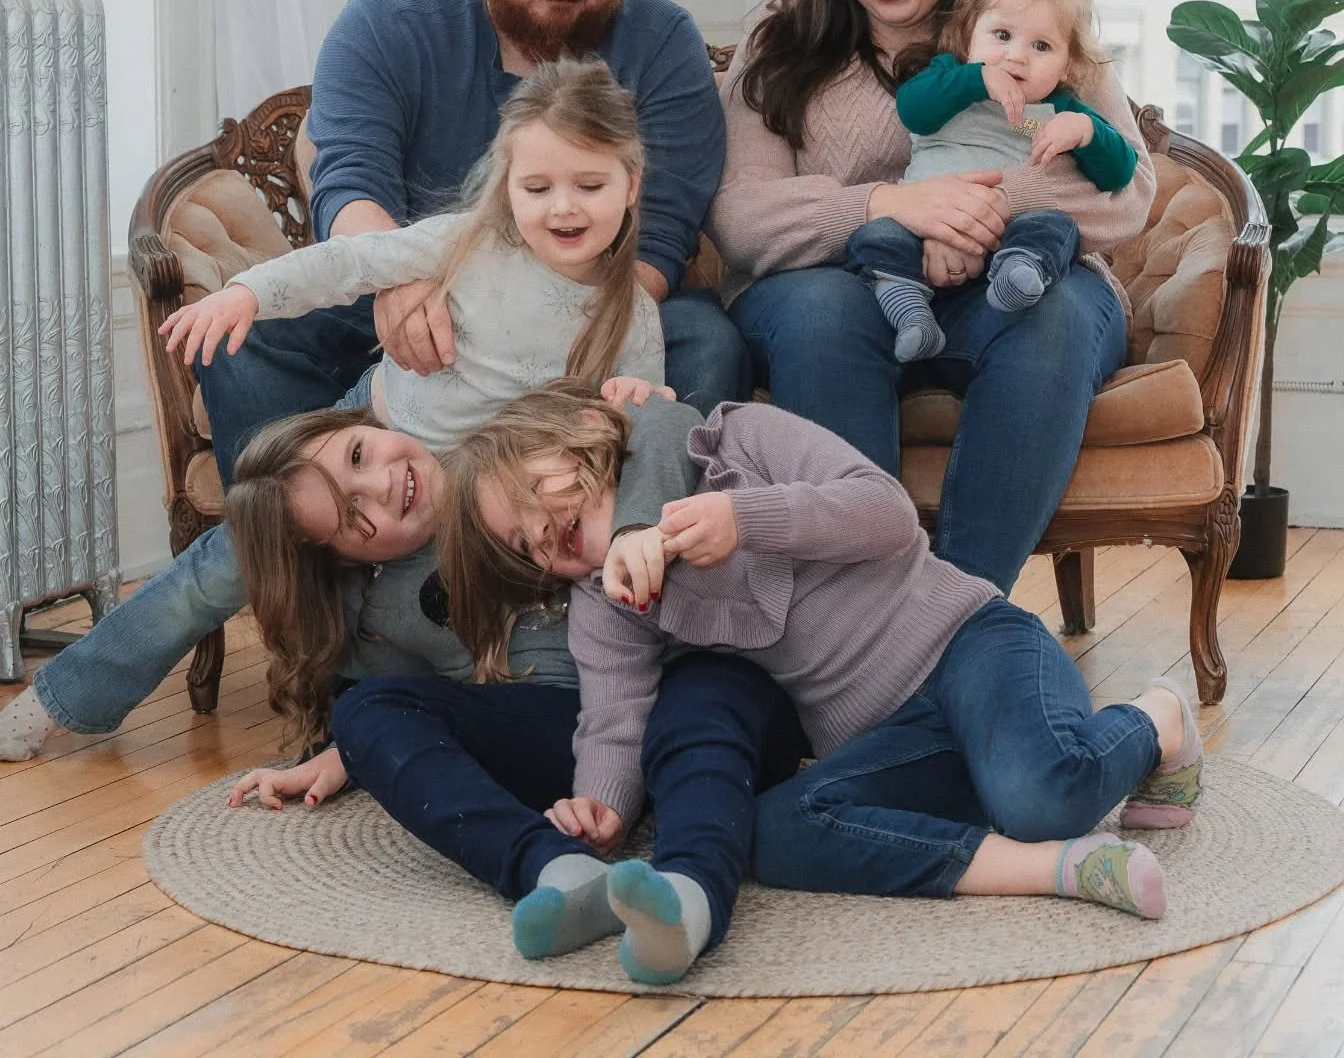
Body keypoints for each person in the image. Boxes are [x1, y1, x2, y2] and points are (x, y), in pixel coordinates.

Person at [449, 383, 1205, 984]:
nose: (541, 535)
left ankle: (1159, 715)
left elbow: (886, 514)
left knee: (1043, 796)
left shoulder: (737, 441)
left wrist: (745, 519)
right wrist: (603, 808)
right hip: (894, 736)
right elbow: (613, 715)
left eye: (533, 497)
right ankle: (1060, 869)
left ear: (586, 427)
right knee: (771, 834)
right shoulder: (607, 603)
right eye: (522, 545)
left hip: (973, 646)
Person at [198, 0, 749, 485]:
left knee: (706, 341)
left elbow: (661, 234)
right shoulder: (386, 23)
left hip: (588, 308)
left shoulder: (664, 42)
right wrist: (398, 286)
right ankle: (300, 571)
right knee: (246, 340)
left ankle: (626, 566)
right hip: (406, 288)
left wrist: (540, 341)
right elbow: (351, 178)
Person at [705, 0, 1156, 595]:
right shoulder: (786, 36)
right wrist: (895, 204)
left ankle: (955, 621)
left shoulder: (1028, 20)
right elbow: (744, 217)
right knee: (820, 311)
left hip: (1007, 287)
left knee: (1055, 312)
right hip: (844, 293)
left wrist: (975, 214)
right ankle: (861, 622)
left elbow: (1130, 194)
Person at [221, 395, 805, 986]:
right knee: (363, 710)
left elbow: (662, 424)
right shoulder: (381, 610)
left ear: (370, 425)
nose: (382, 484)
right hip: (565, 729)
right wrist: (348, 753)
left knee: (705, 699)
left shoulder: (512, 451)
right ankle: (556, 869)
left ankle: (689, 894)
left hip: (703, 679)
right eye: (351, 515)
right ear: (340, 560)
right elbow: (410, 710)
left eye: (359, 455)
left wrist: (633, 529)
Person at [160, 58, 663, 446]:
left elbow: (639, 429)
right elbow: (350, 262)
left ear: (632, 185)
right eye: (537, 189)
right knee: (268, 527)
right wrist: (248, 292)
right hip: (376, 430)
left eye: (590, 185)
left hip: (481, 497)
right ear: (508, 186)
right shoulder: (466, 242)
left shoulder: (632, 313)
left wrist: (638, 409)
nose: (563, 208)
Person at [847, 0, 1137, 361]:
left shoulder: (1053, 109)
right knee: (876, 236)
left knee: (1056, 228)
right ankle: (910, 314)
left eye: (1041, 47)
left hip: (1006, 243)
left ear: (1067, 65)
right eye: (1001, 35)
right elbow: (913, 111)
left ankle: (1020, 278)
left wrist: (1087, 132)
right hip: (921, 232)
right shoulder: (951, 78)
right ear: (968, 36)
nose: (1016, 57)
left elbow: (1121, 174)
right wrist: (977, 80)